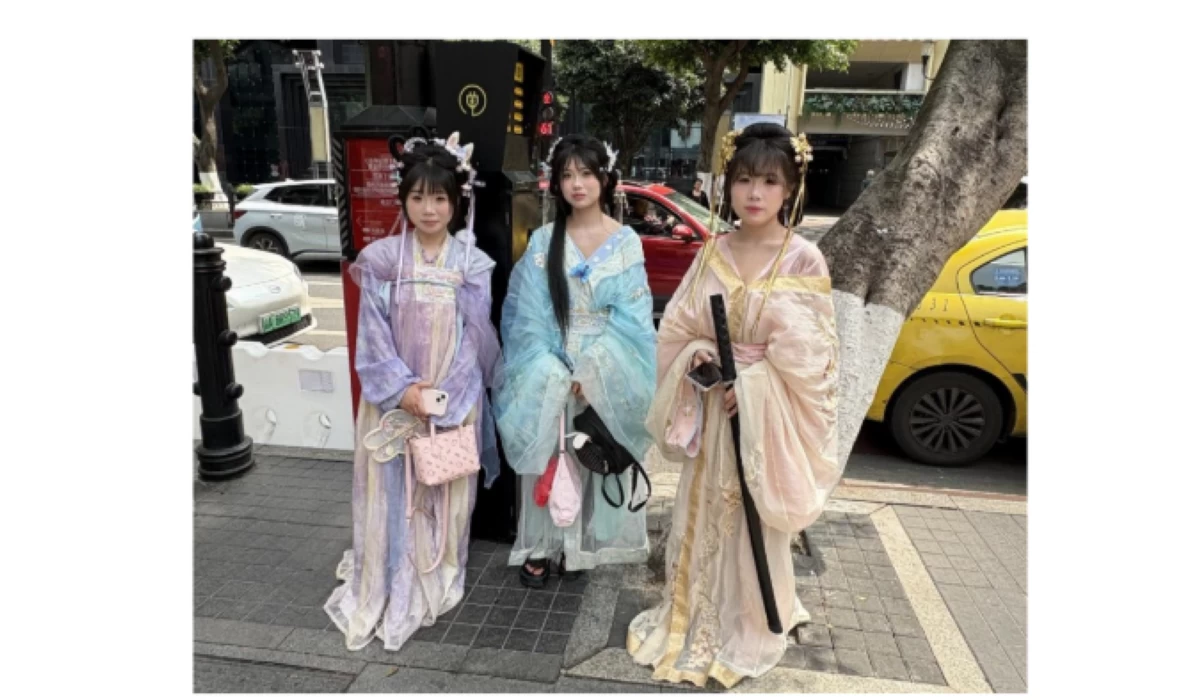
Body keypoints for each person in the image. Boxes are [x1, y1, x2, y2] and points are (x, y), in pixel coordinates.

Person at [627, 123, 840, 688]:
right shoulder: (713, 252)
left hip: (763, 420)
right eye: (744, 179)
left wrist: (751, 384)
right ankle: (695, 614)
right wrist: (702, 362)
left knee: (753, 523)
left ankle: (754, 620)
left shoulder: (803, 261)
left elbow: (813, 356)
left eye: (769, 181)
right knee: (704, 514)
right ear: (727, 185)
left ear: (790, 188)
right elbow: (678, 329)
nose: (754, 193)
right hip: (714, 416)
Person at [324, 133, 503, 651]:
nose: (430, 209)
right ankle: (388, 569)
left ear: (457, 200)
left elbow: (476, 336)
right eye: (419, 197)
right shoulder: (382, 259)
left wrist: (447, 395)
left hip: (451, 399)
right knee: (393, 490)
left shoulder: (472, 263)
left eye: (441, 198)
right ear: (403, 199)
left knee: (442, 487)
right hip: (392, 402)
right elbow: (371, 333)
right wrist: (404, 391)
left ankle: (436, 566)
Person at [494, 134, 657, 588]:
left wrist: (593, 372)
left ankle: (578, 545)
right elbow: (527, 314)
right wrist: (553, 367)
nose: (577, 184)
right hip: (550, 366)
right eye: (567, 175)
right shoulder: (545, 239)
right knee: (551, 453)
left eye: (586, 173)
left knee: (594, 450)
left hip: (606, 366)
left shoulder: (625, 242)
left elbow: (634, 320)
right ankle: (544, 545)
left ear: (605, 179)